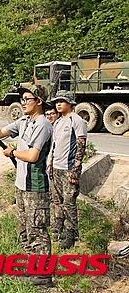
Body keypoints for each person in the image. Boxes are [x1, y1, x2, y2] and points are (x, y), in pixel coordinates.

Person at [0, 84, 53, 287]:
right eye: (23, 99)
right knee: (24, 229)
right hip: (21, 184)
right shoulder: (24, 121)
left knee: (37, 230)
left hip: (35, 186)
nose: (23, 102)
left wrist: (12, 153)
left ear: (39, 102)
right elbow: (0, 133)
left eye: (27, 99)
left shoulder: (43, 124)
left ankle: (43, 275)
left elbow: (33, 156)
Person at [48, 90, 87, 250]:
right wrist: (50, 162)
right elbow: (55, 144)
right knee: (56, 200)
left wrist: (75, 170)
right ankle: (58, 226)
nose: (58, 104)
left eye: (62, 101)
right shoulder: (58, 121)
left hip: (69, 168)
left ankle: (72, 233)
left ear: (70, 103)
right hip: (56, 167)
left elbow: (81, 145)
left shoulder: (76, 120)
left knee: (69, 202)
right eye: (57, 101)